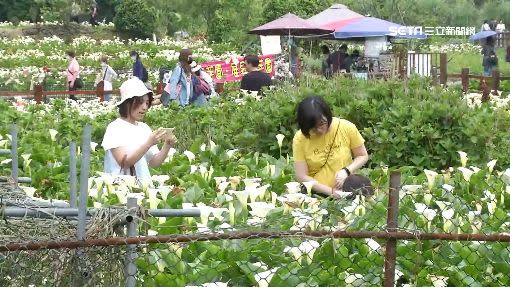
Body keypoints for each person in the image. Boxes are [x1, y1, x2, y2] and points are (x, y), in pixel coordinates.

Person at [292, 96, 369, 199]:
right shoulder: (300, 138)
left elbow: (362, 155)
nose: (320, 130)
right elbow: (302, 176)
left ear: (328, 115)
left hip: (347, 191)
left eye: (322, 123)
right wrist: (332, 192)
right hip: (317, 195)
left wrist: (347, 170)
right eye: (313, 128)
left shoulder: (346, 127)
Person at [101, 78, 177, 182]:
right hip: (119, 188)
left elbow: (153, 163)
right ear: (128, 103)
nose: (145, 107)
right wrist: (148, 143)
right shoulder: (115, 128)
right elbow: (124, 163)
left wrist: (167, 145)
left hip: (142, 188)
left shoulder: (144, 128)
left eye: (147, 103)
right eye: (140, 102)